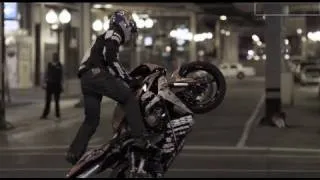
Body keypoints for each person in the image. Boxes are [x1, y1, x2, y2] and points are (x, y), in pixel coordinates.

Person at [66, 10, 157, 167]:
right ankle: (140, 139)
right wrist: (128, 80)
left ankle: (74, 152)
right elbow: (111, 60)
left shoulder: (104, 36)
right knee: (128, 98)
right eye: (130, 25)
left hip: (87, 78)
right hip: (96, 74)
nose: (130, 32)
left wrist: (121, 78)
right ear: (124, 23)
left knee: (91, 120)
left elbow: (106, 62)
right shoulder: (114, 33)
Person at [40, 53, 63, 120]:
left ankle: (57, 115)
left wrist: (61, 84)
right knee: (47, 100)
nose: (54, 58)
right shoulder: (49, 64)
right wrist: (44, 82)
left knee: (56, 101)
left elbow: (61, 76)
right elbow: (46, 74)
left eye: (56, 57)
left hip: (57, 85)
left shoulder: (60, 65)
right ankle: (45, 114)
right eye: (54, 57)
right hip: (49, 84)